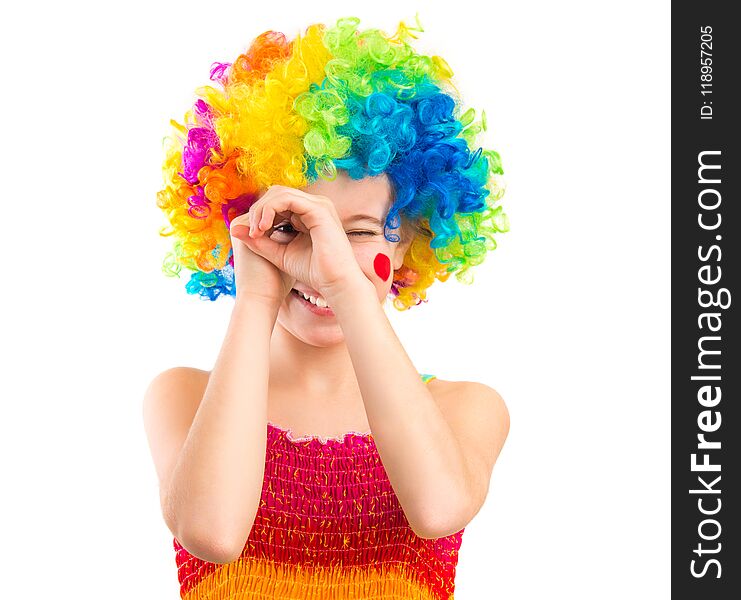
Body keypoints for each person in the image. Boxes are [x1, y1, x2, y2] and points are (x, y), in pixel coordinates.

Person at [144, 14, 511, 600]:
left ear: (412, 240)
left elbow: (439, 509)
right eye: (294, 227)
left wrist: (348, 287)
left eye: (361, 231)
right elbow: (211, 535)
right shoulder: (183, 396)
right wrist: (257, 292)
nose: (324, 257)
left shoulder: (465, 408)